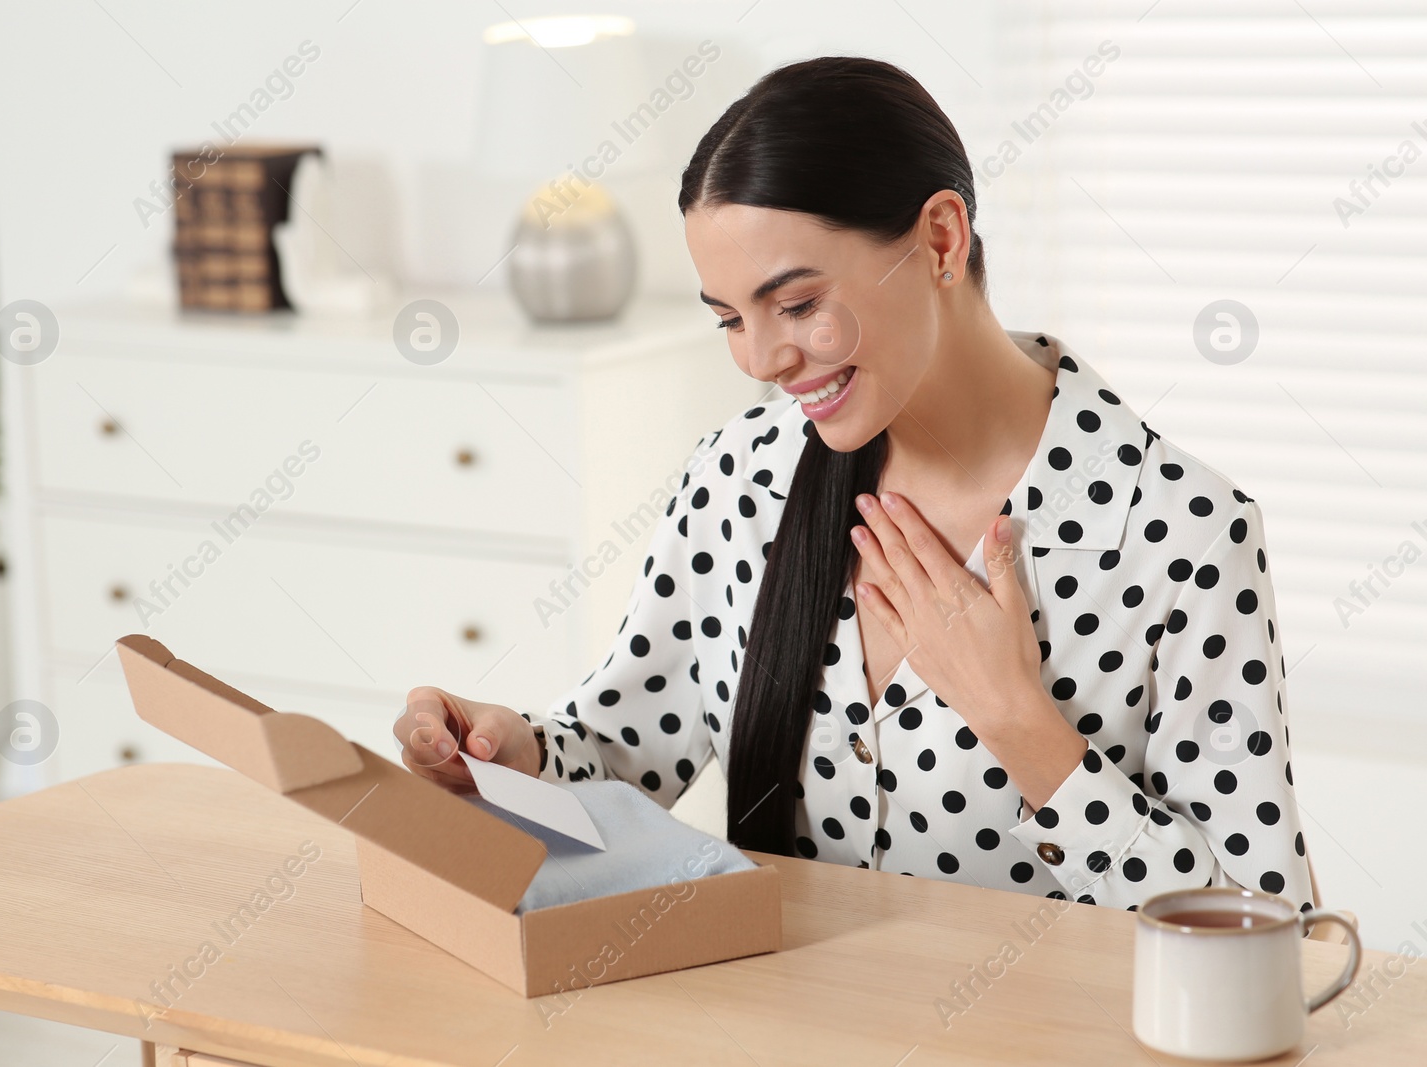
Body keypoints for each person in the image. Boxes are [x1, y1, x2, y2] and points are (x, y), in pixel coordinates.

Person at [394, 56, 1313, 912]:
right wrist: (515, 753)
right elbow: (628, 752)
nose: (762, 359)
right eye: (729, 319)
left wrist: (1019, 722)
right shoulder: (740, 478)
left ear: (942, 240)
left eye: (797, 305)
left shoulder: (1178, 534)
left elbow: (1271, 933)